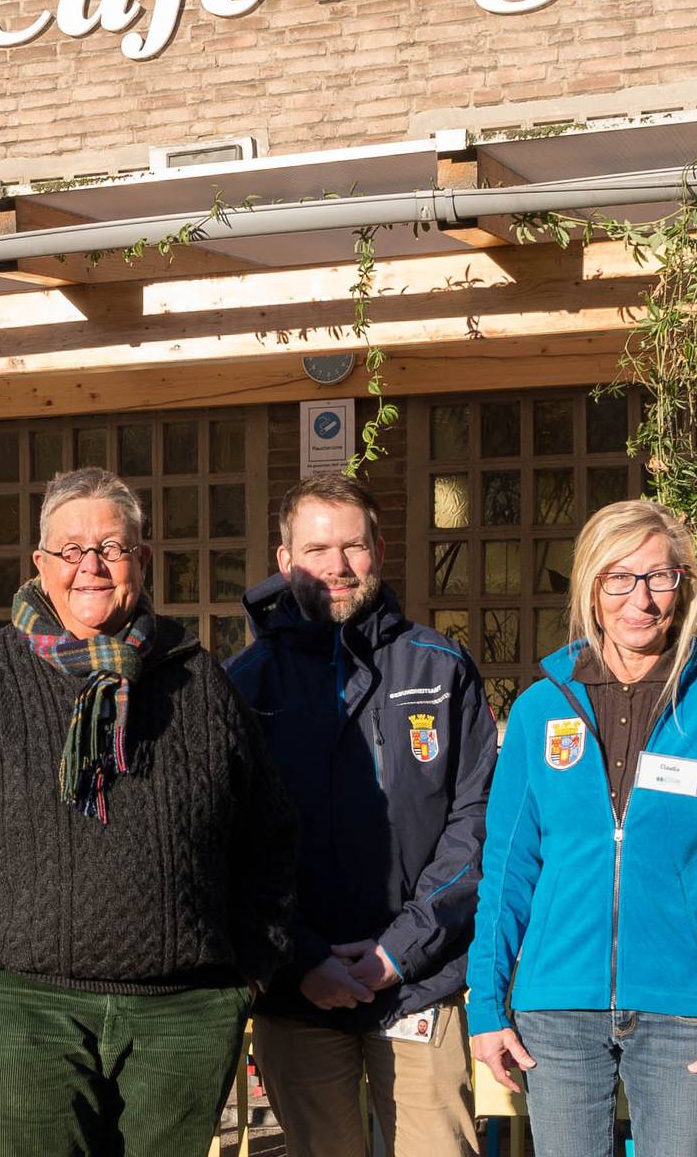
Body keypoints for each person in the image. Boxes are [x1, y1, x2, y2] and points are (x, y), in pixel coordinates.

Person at [0, 466, 297, 1157]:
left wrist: (246, 977)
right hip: (21, 1017)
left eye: (111, 547)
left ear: (141, 560)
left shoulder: (202, 683)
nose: (91, 566)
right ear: (40, 565)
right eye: (71, 550)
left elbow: (270, 842)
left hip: (182, 1021)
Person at [465, 499, 697, 1157]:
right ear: (590, 586)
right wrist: (486, 1005)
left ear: (683, 587)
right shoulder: (538, 709)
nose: (639, 599)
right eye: (619, 577)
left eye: (659, 577)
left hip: (687, 1011)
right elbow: (507, 870)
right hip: (555, 1011)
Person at [227, 474, 492, 1157]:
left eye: (353, 546)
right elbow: (229, 846)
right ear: (285, 562)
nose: (337, 567)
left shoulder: (440, 668)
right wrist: (306, 957)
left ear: (379, 549)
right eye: (317, 550)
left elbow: (476, 819)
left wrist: (396, 953)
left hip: (419, 985)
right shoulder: (243, 686)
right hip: (298, 991)